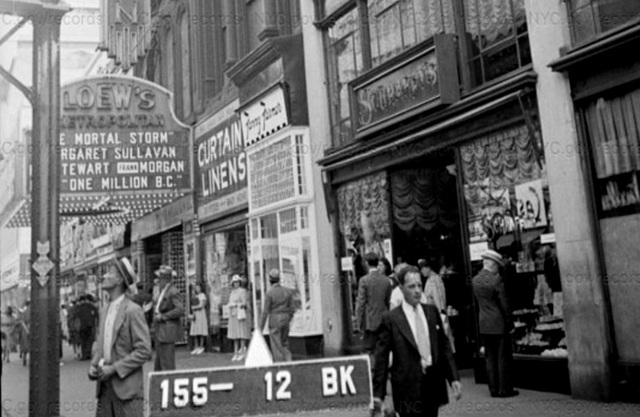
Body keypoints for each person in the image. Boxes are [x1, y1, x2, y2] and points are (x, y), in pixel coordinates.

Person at [373, 266, 462, 417]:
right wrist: (378, 395)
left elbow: (443, 346)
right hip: (406, 388)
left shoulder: (431, 312)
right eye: (411, 286)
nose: (417, 291)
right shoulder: (392, 319)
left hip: (432, 384)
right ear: (401, 288)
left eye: (419, 285)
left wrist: (453, 377)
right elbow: (381, 358)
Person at [89, 260, 151, 417]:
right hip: (105, 390)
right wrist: (94, 364)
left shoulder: (133, 311)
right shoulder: (104, 310)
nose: (104, 276)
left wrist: (114, 368)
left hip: (127, 391)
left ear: (119, 280)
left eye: (110, 272)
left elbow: (144, 350)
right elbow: (100, 343)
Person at [472, 249, 518, 398]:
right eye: (497, 265)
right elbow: (503, 304)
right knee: (502, 357)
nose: (498, 268)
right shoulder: (495, 280)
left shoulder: (475, 280)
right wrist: (510, 322)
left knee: (489, 358)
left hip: (484, 323)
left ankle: (493, 388)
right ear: (492, 265)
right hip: (498, 322)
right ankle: (504, 389)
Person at [355, 252, 392, 358]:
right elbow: (389, 301)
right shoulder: (386, 281)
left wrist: (359, 323)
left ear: (366, 263)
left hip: (370, 321)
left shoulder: (364, 280)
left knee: (369, 350)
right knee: (382, 350)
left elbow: (360, 303)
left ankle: (372, 371)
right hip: (384, 319)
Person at [259, 269, 296, 362]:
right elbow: (292, 309)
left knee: (276, 345)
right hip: (285, 319)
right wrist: (288, 319)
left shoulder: (269, 293)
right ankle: (289, 362)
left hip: (274, 319)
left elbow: (265, 312)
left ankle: (280, 366)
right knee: (285, 343)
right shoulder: (288, 291)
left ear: (270, 280)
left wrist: (260, 328)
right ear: (279, 279)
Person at [152, 265, 184, 371]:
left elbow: (180, 309)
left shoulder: (173, 291)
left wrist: (163, 317)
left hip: (167, 332)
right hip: (161, 331)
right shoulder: (163, 290)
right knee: (160, 363)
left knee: (167, 364)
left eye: (159, 278)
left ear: (165, 278)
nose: (157, 280)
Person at [227, 275, 251, 361]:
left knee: (241, 333)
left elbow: (244, 303)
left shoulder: (242, 291)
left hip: (240, 315)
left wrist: (236, 304)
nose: (236, 284)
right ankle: (235, 352)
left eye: (237, 282)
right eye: (234, 282)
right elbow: (229, 302)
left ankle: (242, 352)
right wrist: (230, 305)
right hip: (233, 315)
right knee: (234, 335)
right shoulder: (232, 292)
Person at [74, 279, 98, 360]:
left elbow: (75, 317)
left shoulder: (78, 307)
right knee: (89, 340)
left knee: (83, 341)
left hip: (81, 326)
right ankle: (88, 353)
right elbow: (96, 315)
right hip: (90, 325)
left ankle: (84, 354)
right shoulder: (92, 306)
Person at [189, 284, 208, 355]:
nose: (197, 289)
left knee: (201, 330)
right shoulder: (194, 296)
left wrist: (195, 307)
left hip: (201, 314)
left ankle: (201, 346)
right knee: (195, 330)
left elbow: (202, 305)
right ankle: (196, 346)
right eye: (196, 288)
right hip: (195, 314)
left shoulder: (202, 295)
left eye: (198, 287)